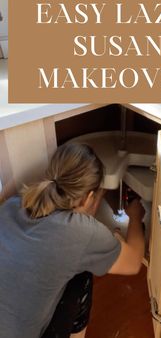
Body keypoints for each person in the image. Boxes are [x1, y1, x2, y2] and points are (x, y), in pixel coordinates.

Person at [0, 142, 145, 338]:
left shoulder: (13, 204)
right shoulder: (81, 232)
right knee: (81, 276)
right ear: (88, 198)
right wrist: (135, 215)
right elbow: (133, 262)